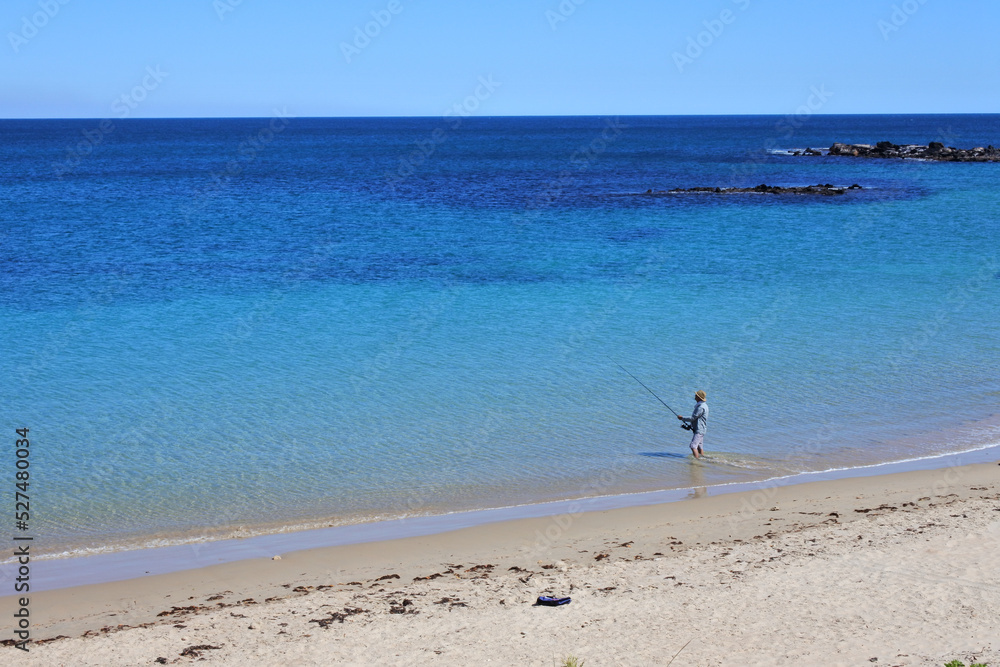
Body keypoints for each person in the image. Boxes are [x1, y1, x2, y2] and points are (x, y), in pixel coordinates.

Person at [677, 390, 708, 459]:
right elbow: (697, 419)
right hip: (701, 429)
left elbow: (693, 418)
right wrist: (690, 426)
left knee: (693, 446)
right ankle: (702, 459)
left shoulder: (700, 407)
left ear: (699, 397)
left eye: (696, 395)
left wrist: (682, 418)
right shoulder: (704, 405)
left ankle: (697, 462)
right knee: (700, 447)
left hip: (699, 430)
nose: (695, 396)